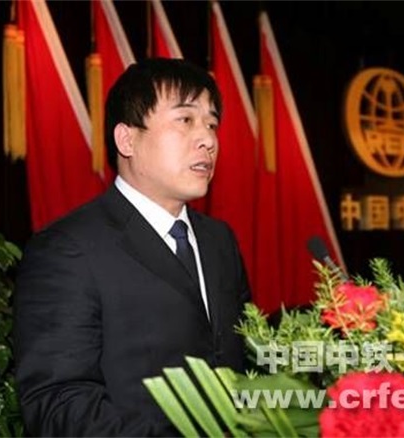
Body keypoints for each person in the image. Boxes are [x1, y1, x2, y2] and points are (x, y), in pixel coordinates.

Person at [13, 58, 251, 436]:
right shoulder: (68, 249)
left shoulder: (219, 240)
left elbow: (242, 363)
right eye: (185, 120)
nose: (208, 140)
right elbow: (59, 404)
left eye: (211, 124)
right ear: (126, 139)